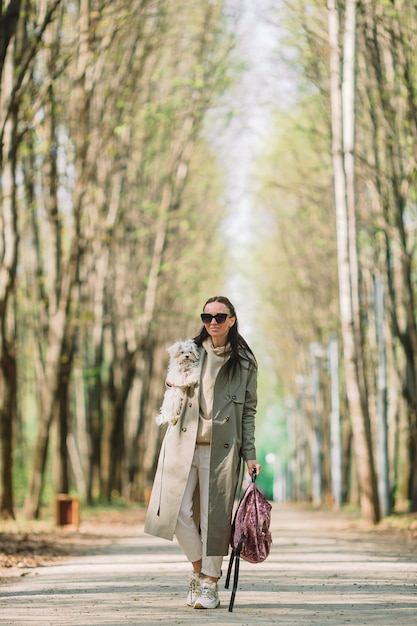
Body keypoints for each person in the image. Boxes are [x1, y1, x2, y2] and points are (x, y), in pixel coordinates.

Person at [144, 296, 261, 610]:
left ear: (232, 320)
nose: (213, 322)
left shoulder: (245, 361)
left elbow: (248, 411)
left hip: (222, 451)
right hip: (182, 443)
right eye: (207, 316)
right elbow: (173, 383)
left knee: (215, 519)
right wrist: (171, 381)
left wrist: (250, 453)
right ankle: (199, 571)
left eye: (220, 317)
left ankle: (210, 584)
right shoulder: (192, 351)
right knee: (177, 511)